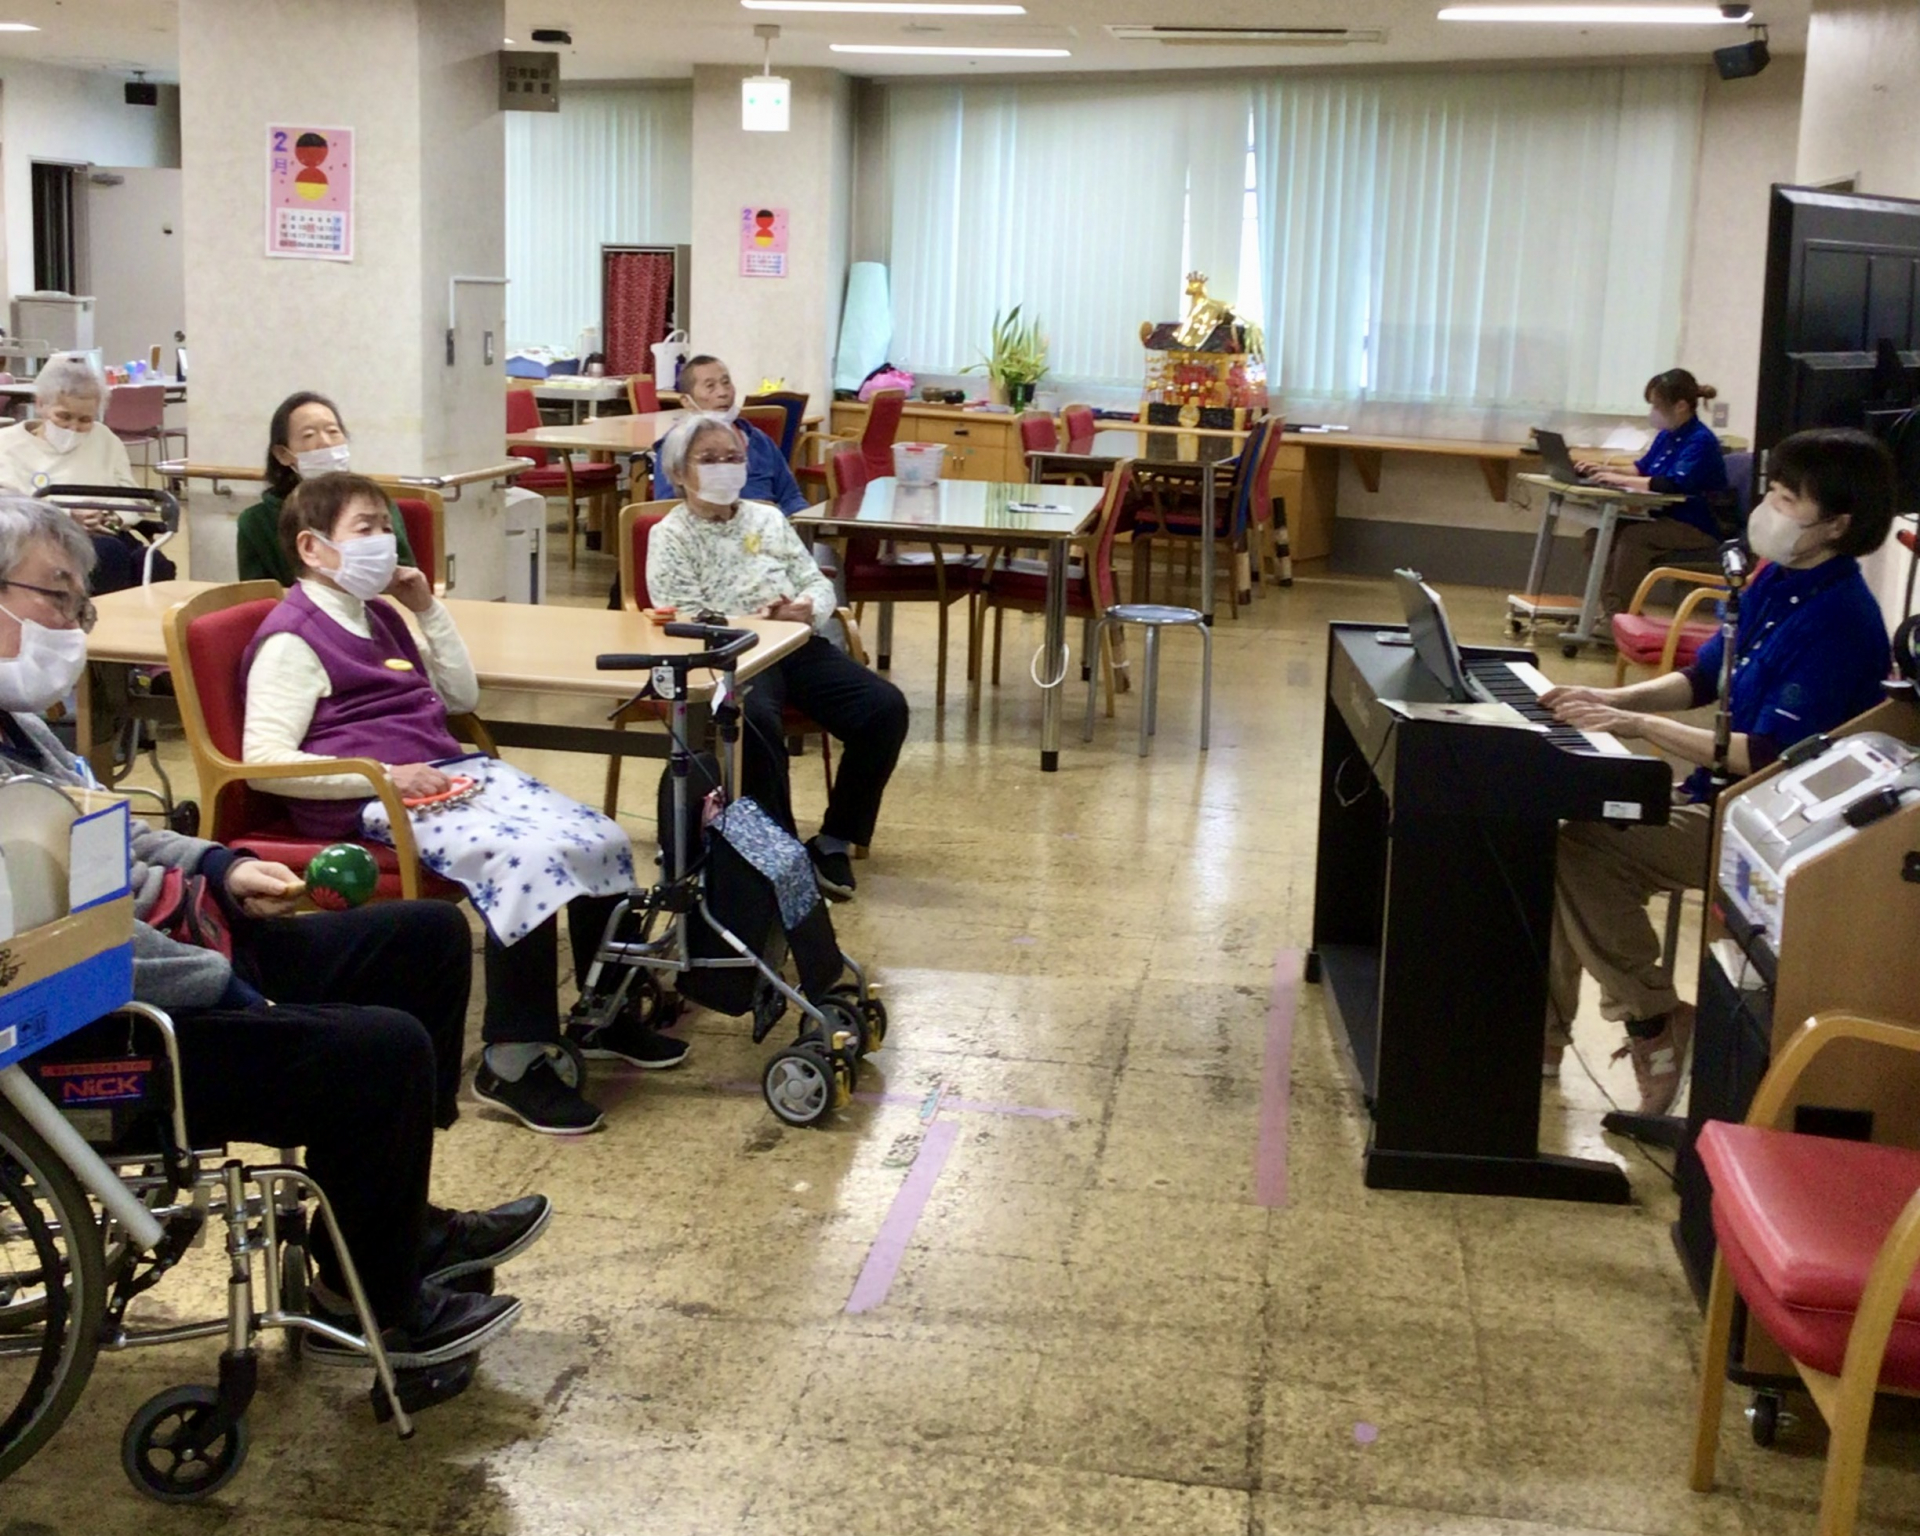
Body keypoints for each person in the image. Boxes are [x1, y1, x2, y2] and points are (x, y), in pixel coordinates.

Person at [0, 497, 543, 1392]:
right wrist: (231, 987)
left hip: (171, 952)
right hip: (95, 1022)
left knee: (426, 938)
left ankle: (386, 1230)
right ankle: (373, 1307)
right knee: (380, 1051)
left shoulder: (21, 730)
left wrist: (220, 865)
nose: (73, 623)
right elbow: (68, 939)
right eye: (58, 596)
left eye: (78, 602)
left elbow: (113, 838)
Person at [240, 472, 680, 1138]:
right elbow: (265, 763)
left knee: (596, 835)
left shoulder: (379, 614)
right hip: (368, 800)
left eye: (386, 527)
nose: (385, 541)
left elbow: (461, 697)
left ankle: (604, 1010)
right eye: (365, 529)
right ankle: (512, 1057)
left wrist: (426, 610)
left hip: (443, 775)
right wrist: (384, 776)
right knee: (526, 859)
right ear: (312, 547)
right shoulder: (291, 638)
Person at [1542, 428, 1895, 1113]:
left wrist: (1639, 727)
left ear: (1836, 524)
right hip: (1717, 795)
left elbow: (1765, 755)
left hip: (1765, 828)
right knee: (1567, 836)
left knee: (1583, 852)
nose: (1768, 508)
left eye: (1788, 499)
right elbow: (1703, 679)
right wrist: (1609, 701)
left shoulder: (1843, 621)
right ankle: (1547, 1042)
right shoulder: (1775, 579)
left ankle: (1652, 1021)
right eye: (1773, 490)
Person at [645, 412, 909, 902]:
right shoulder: (670, 534)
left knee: (884, 708)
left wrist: (807, 608)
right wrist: (750, 620)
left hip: (794, 643)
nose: (724, 467)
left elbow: (814, 581)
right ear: (679, 472)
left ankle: (833, 840)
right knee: (756, 721)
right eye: (709, 459)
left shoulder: (767, 518)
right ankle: (781, 853)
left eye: (733, 458)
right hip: (732, 654)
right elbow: (679, 610)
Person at [0, 357, 174, 595]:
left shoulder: (105, 439)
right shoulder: (7, 445)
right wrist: (67, 518)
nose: (73, 427)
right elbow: (9, 509)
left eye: (85, 420)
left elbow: (134, 496)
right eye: (64, 416)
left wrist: (112, 517)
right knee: (107, 554)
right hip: (40, 540)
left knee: (155, 565)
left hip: (108, 531)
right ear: (40, 405)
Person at [1582, 368, 1730, 616]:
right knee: (1596, 537)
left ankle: (1620, 614)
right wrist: (1604, 470)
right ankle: (1614, 614)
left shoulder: (1700, 441)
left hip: (1697, 526)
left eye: (1657, 406)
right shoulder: (1666, 436)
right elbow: (1641, 469)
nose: (1653, 412)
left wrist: (1618, 479)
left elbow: (1671, 484)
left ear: (1681, 406)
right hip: (1664, 520)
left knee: (1633, 537)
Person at [235, 392, 418, 584]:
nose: (326, 442)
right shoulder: (257, 521)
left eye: (333, 431)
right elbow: (257, 593)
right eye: (309, 435)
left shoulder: (377, 506)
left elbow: (404, 576)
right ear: (283, 454)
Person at [649, 356, 806, 514]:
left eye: (726, 383)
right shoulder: (676, 447)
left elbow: (791, 497)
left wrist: (797, 522)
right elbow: (667, 508)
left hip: (771, 524)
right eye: (710, 386)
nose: (723, 393)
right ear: (687, 401)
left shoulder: (758, 439)